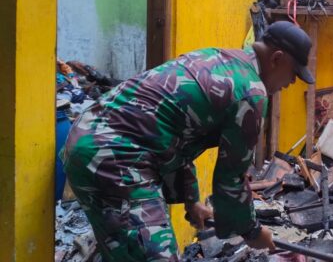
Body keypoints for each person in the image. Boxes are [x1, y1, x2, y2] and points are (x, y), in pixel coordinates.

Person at [62, 21, 315, 261]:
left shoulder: (217, 58)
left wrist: (192, 200)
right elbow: (232, 178)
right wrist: (252, 232)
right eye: (293, 73)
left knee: (124, 251)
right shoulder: (251, 92)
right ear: (277, 58)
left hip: (86, 140)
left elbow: (177, 135)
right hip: (115, 158)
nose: (292, 82)